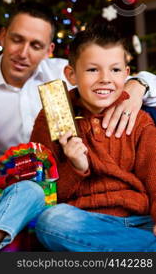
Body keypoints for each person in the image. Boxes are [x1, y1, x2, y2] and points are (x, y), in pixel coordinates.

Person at [0, 2, 156, 188]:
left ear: (49, 50)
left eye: (36, 46)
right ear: (2, 36)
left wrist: (139, 86)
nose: (23, 53)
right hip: (13, 189)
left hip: (71, 183)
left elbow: (120, 79)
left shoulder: (71, 72)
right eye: (17, 40)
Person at [30, 23, 156, 251]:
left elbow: (154, 177)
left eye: (115, 70)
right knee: (50, 222)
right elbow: (42, 194)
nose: (105, 79)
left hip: (139, 221)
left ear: (127, 74)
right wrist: (75, 167)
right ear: (71, 75)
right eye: (92, 70)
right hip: (82, 222)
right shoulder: (52, 116)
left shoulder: (138, 120)